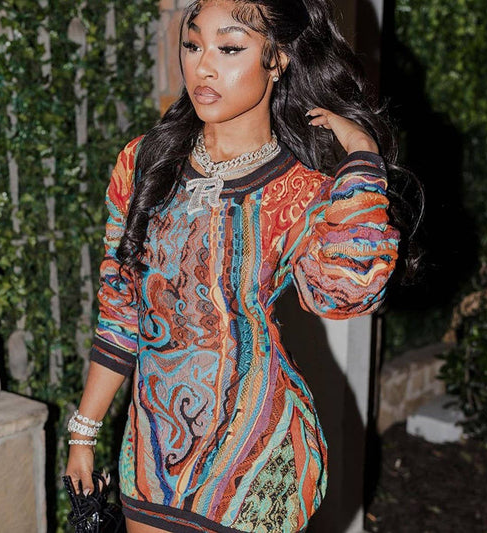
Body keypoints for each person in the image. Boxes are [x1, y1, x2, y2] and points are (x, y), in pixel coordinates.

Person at [65, 0, 415, 531]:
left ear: (279, 59)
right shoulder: (143, 163)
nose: (203, 66)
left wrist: (363, 157)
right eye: (193, 45)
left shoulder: (302, 189)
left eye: (229, 48)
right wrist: (84, 433)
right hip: (152, 456)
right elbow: (120, 311)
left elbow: (345, 295)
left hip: (255, 457)